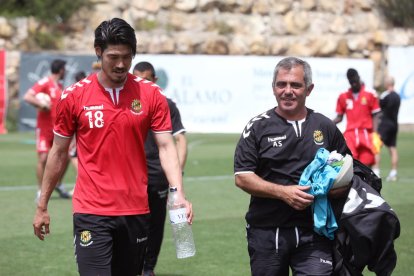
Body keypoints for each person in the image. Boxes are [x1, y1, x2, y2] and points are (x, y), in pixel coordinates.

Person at [32, 18, 193, 276]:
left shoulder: (151, 94)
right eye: (113, 57)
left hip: (137, 210)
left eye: (127, 57)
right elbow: (58, 152)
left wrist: (178, 193)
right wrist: (42, 206)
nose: (120, 64)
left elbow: (166, 146)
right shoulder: (73, 96)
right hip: (91, 211)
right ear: (98, 52)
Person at [234, 57, 351, 276]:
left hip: (315, 233)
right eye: (282, 84)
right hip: (267, 231)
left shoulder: (325, 126)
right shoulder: (257, 127)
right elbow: (242, 176)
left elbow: (346, 172)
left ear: (309, 89)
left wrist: (334, 189)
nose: (288, 91)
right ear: (273, 88)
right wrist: (283, 193)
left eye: (295, 85)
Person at [133, 62, 187, 276]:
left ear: (154, 80)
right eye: (138, 80)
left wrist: (177, 178)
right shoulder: (128, 103)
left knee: (155, 224)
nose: (142, 84)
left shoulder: (166, 104)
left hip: (157, 175)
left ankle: (148, 268)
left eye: (146, 79)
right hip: (131, 175)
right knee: (131, 223)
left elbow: (180, 140)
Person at [23, 59, 70, 202]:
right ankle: (40, 191)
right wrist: (42, 104)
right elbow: (27, 96)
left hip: (58, 129)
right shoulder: (45, 82)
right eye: (64, 69)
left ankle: (58, 183)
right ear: (61, 70)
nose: (66, 71)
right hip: (44, 129)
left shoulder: (60, 86)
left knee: (66, 157)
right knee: (43, 158)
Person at [333, 68, 381, 172]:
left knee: (367, 163)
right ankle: (354, 185)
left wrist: (375, 133)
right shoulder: (343, 96)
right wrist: (326, 123)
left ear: (359, 78)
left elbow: (376, 115)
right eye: (351, 82)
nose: (354, 84)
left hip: (366, 133)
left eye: (355, 81)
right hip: (350, 134)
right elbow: (339, 117)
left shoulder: (371, 93)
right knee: (350, 162)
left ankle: (369, 183)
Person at [376, 76, 401, 181]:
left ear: (387, 84)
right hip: (394, 124)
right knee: (393, 148)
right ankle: (393, 173)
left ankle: (376, 171)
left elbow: (378, 108)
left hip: (384, 124)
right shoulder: (398, 96)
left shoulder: (385, 95)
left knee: (376, 147)